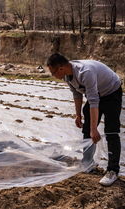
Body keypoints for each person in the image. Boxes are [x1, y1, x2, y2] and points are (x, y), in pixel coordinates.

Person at [47, 53, 122, 186]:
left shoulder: (85, 72)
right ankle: (87, 163)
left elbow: (93, 101)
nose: (53, 76)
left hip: (111, 92)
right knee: (87, 128)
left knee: (111, 131)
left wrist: (95, 129)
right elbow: (77, 94)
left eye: (53, 72)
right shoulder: (67, 76)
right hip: (98, 93)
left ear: (61, 68)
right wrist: (78, 115)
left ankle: (112, 171)